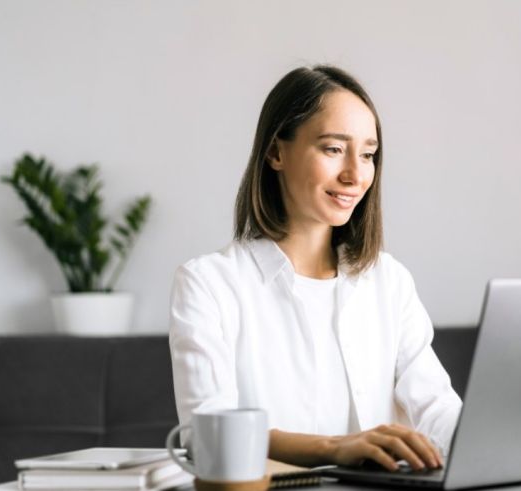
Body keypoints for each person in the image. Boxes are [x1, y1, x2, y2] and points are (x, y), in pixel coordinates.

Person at [169, 65, 461, 472]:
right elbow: (207, 437)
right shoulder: (209, 284)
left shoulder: (388, 281)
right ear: (276, 152)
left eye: (368, 154)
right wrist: (334, 448)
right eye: (332, 149)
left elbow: (437, 408)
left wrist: (491, 442)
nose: (355, 175)